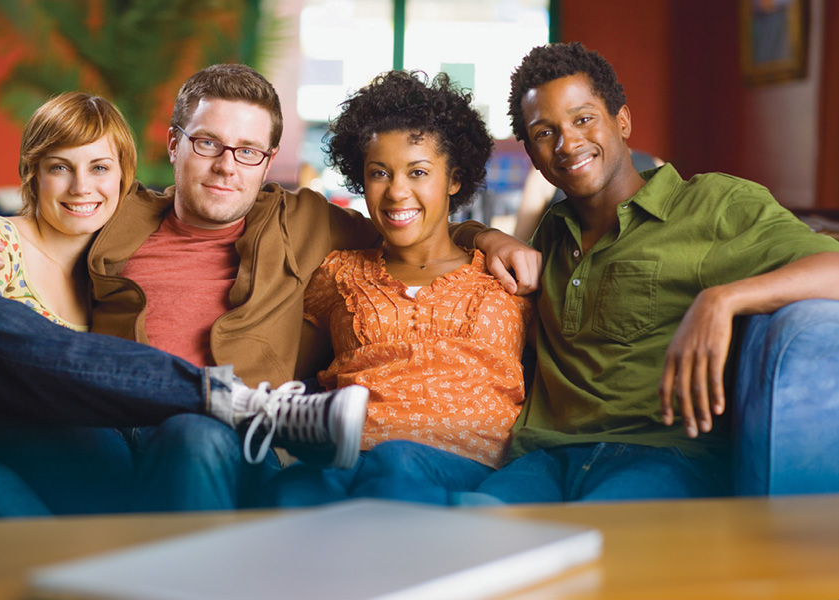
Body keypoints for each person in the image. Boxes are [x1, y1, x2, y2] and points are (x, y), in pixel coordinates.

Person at [0, 64, 540, 513]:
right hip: (103, 434)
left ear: (268, 162)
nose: (225, 166)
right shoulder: (115, 211)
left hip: (220, 444)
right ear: (174, 144)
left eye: (247, 152)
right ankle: (223, 397)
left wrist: (487, 237)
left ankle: (226, 407)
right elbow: (40, 221)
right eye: (208, 143)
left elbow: (409, 220)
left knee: (192, 431)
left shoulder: (305, 221)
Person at [470, 42, 839, 503]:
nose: (567, 144)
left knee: (604, 531)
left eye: (583, 119)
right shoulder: (552, 232)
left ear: (622, 121)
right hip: (542, 457)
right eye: (545, 132)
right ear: (531, 151)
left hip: (660, 455)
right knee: (473, 524)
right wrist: (482, 234)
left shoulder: (710, 205)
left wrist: (724, 298)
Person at [262, 71, 535, 508]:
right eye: (379, 173)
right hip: (349, 457)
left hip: (467, 462)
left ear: (454, 179)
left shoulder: (508, 276)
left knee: (397, 462)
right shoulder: (338, 273)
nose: (396, 192)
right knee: (288, 491)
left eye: (418, 172)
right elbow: (285, 373)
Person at [0, 92, 137, 522]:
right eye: (60, 167)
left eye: (100, 167)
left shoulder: (109, 279)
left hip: (19, 446)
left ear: (124, 177)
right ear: (33, 174)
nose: (81, 187)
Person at [512, 149, 662, 242]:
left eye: (585, 120)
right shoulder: (543, 177)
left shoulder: (655, 166)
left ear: (622, 120)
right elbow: (521, 244)